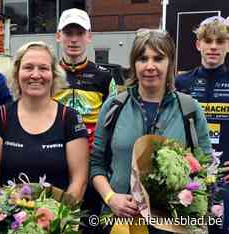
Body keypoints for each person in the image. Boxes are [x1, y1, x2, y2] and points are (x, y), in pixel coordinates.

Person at [90, 29, 212, 233]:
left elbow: (206, 167)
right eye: (142, 58)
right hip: (120, 221)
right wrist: (111, 198)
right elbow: (96, 164)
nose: (150, 66)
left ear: (170, 63)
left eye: (158, 58)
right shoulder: (114, 107)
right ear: (134, 64)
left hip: (172, 225)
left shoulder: (189, 109)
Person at [0, 41, 89, 201]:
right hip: (8, 221)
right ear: (17, 73)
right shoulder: (1, 117)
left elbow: (79, 180)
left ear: (54, 74)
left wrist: (58, 219)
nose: (35, 75)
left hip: (56, 220)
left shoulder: (70, 118)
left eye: (43, 68)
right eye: (28, 67)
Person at [175, 16, 229, 233]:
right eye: (208, 41)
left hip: (224, 177)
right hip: (192, 175)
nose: (214, 47)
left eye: (220, 41)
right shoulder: (181, 83)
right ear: (198, 45)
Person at [54, 8, 116, 148]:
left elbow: (112, 121)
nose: (74, 40)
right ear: (58, 36)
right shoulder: (49, 74)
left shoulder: (104, 77)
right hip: (55, 152)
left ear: (89, 36)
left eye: (80, 33)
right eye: (68, 33)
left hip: (92, 154)